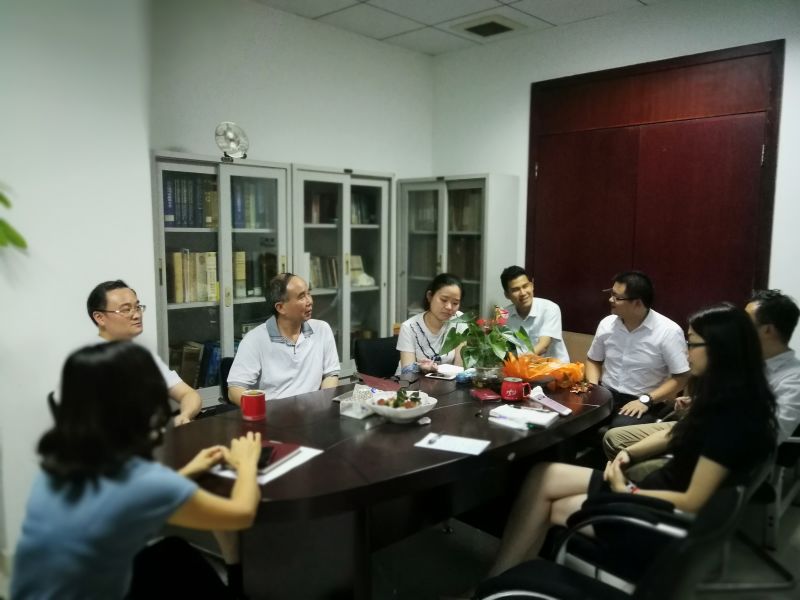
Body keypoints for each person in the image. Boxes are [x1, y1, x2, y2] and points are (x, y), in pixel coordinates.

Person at [488, 303, 777, 577]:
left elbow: (692, 501)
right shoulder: (727, 395)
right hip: (650, 490)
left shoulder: (730, 418)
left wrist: (626, 490)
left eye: (691, 344)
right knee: (543, 473)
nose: (686, 352)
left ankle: (502, 579)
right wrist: (629, 454)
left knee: (553, 505)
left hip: (653, 513)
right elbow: (674, 434)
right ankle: (507, 576)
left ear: (719, 349)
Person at [12, 342, 261, 599]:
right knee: (204, 547)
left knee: (172, 551)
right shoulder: (143, 481)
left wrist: (189, 471)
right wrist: (246, 463)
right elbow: (242, 515)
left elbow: (125, 499)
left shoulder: (58, 466)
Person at [604, 289, 800, 481]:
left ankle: (639, 484)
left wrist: (707, 421)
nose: (737, 326)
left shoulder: (793, 379)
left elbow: (768, 435)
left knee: (640, 467)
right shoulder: (745, 359)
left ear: (768, 330)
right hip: (700, 427)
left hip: (719, 443)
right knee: (615, 439)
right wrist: (698, 404)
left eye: (745, 321)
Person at [87, 280, 201, 425]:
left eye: (137, 307)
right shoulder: (90, 363)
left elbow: (188, 394)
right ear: (100, 318)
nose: (136, 315)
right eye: (126, 310)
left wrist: (185, 415)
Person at [585, 271, 690, 428]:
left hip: (646, 400)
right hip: (606, 394)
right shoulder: (607, 324)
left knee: (619, 428)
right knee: (573, 420)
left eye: (617, 297)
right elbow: (593, 360)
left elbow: (681, 377)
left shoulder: (668, 331)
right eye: (611, 294)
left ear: (637, 303)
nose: (610, 300)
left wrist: (646, 400)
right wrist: (593, 388)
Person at [227, 272, 340, 405]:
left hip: (313, 411)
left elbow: (330, 375)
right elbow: (235, 390)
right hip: (273, 413)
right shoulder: (254, 339)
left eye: (308, 293)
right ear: (281, 307)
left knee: (358, 401)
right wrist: (262, 409)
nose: (310, 301)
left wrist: (324, 403)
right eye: (301, 297)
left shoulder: (322, 329)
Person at [397, 273, 465, 375]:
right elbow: (407, 371)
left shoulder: (459, 320)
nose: (449, 307)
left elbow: (459, 368)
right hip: (411, 381)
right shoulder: (409, 327)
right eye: (444, 300)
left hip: (445, 382)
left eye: (455, 303)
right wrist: (419, 367)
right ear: (430, 296)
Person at [500, 265, 569, 362]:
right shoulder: (504, 315)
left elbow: (543, 346)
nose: (523, 293)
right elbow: (502, 348)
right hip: (521, 369)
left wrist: (519, 361)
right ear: (507, 295)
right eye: (516, 290)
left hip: (554, 369)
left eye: (525, 286)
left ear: (532, 286)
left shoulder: (550, 308)